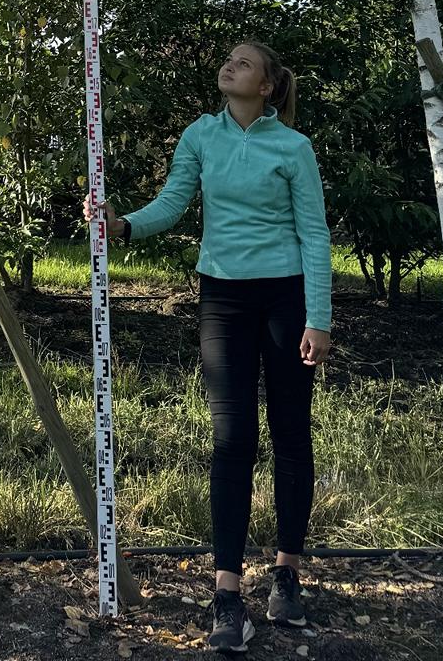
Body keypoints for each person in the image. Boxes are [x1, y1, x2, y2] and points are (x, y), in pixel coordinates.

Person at [84, 42, 332, 654]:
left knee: (291, 433)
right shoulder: (200, 135)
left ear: (268, 86)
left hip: (287, 299)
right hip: (222, 297)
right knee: (232, 438)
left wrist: (319, 318)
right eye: (226, 59)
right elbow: (173, 203)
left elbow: (314, 233)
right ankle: (227, 594)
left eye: (244, 63)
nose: (229, 65)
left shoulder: (293, 149)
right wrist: (121, 225)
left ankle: (287, 575)